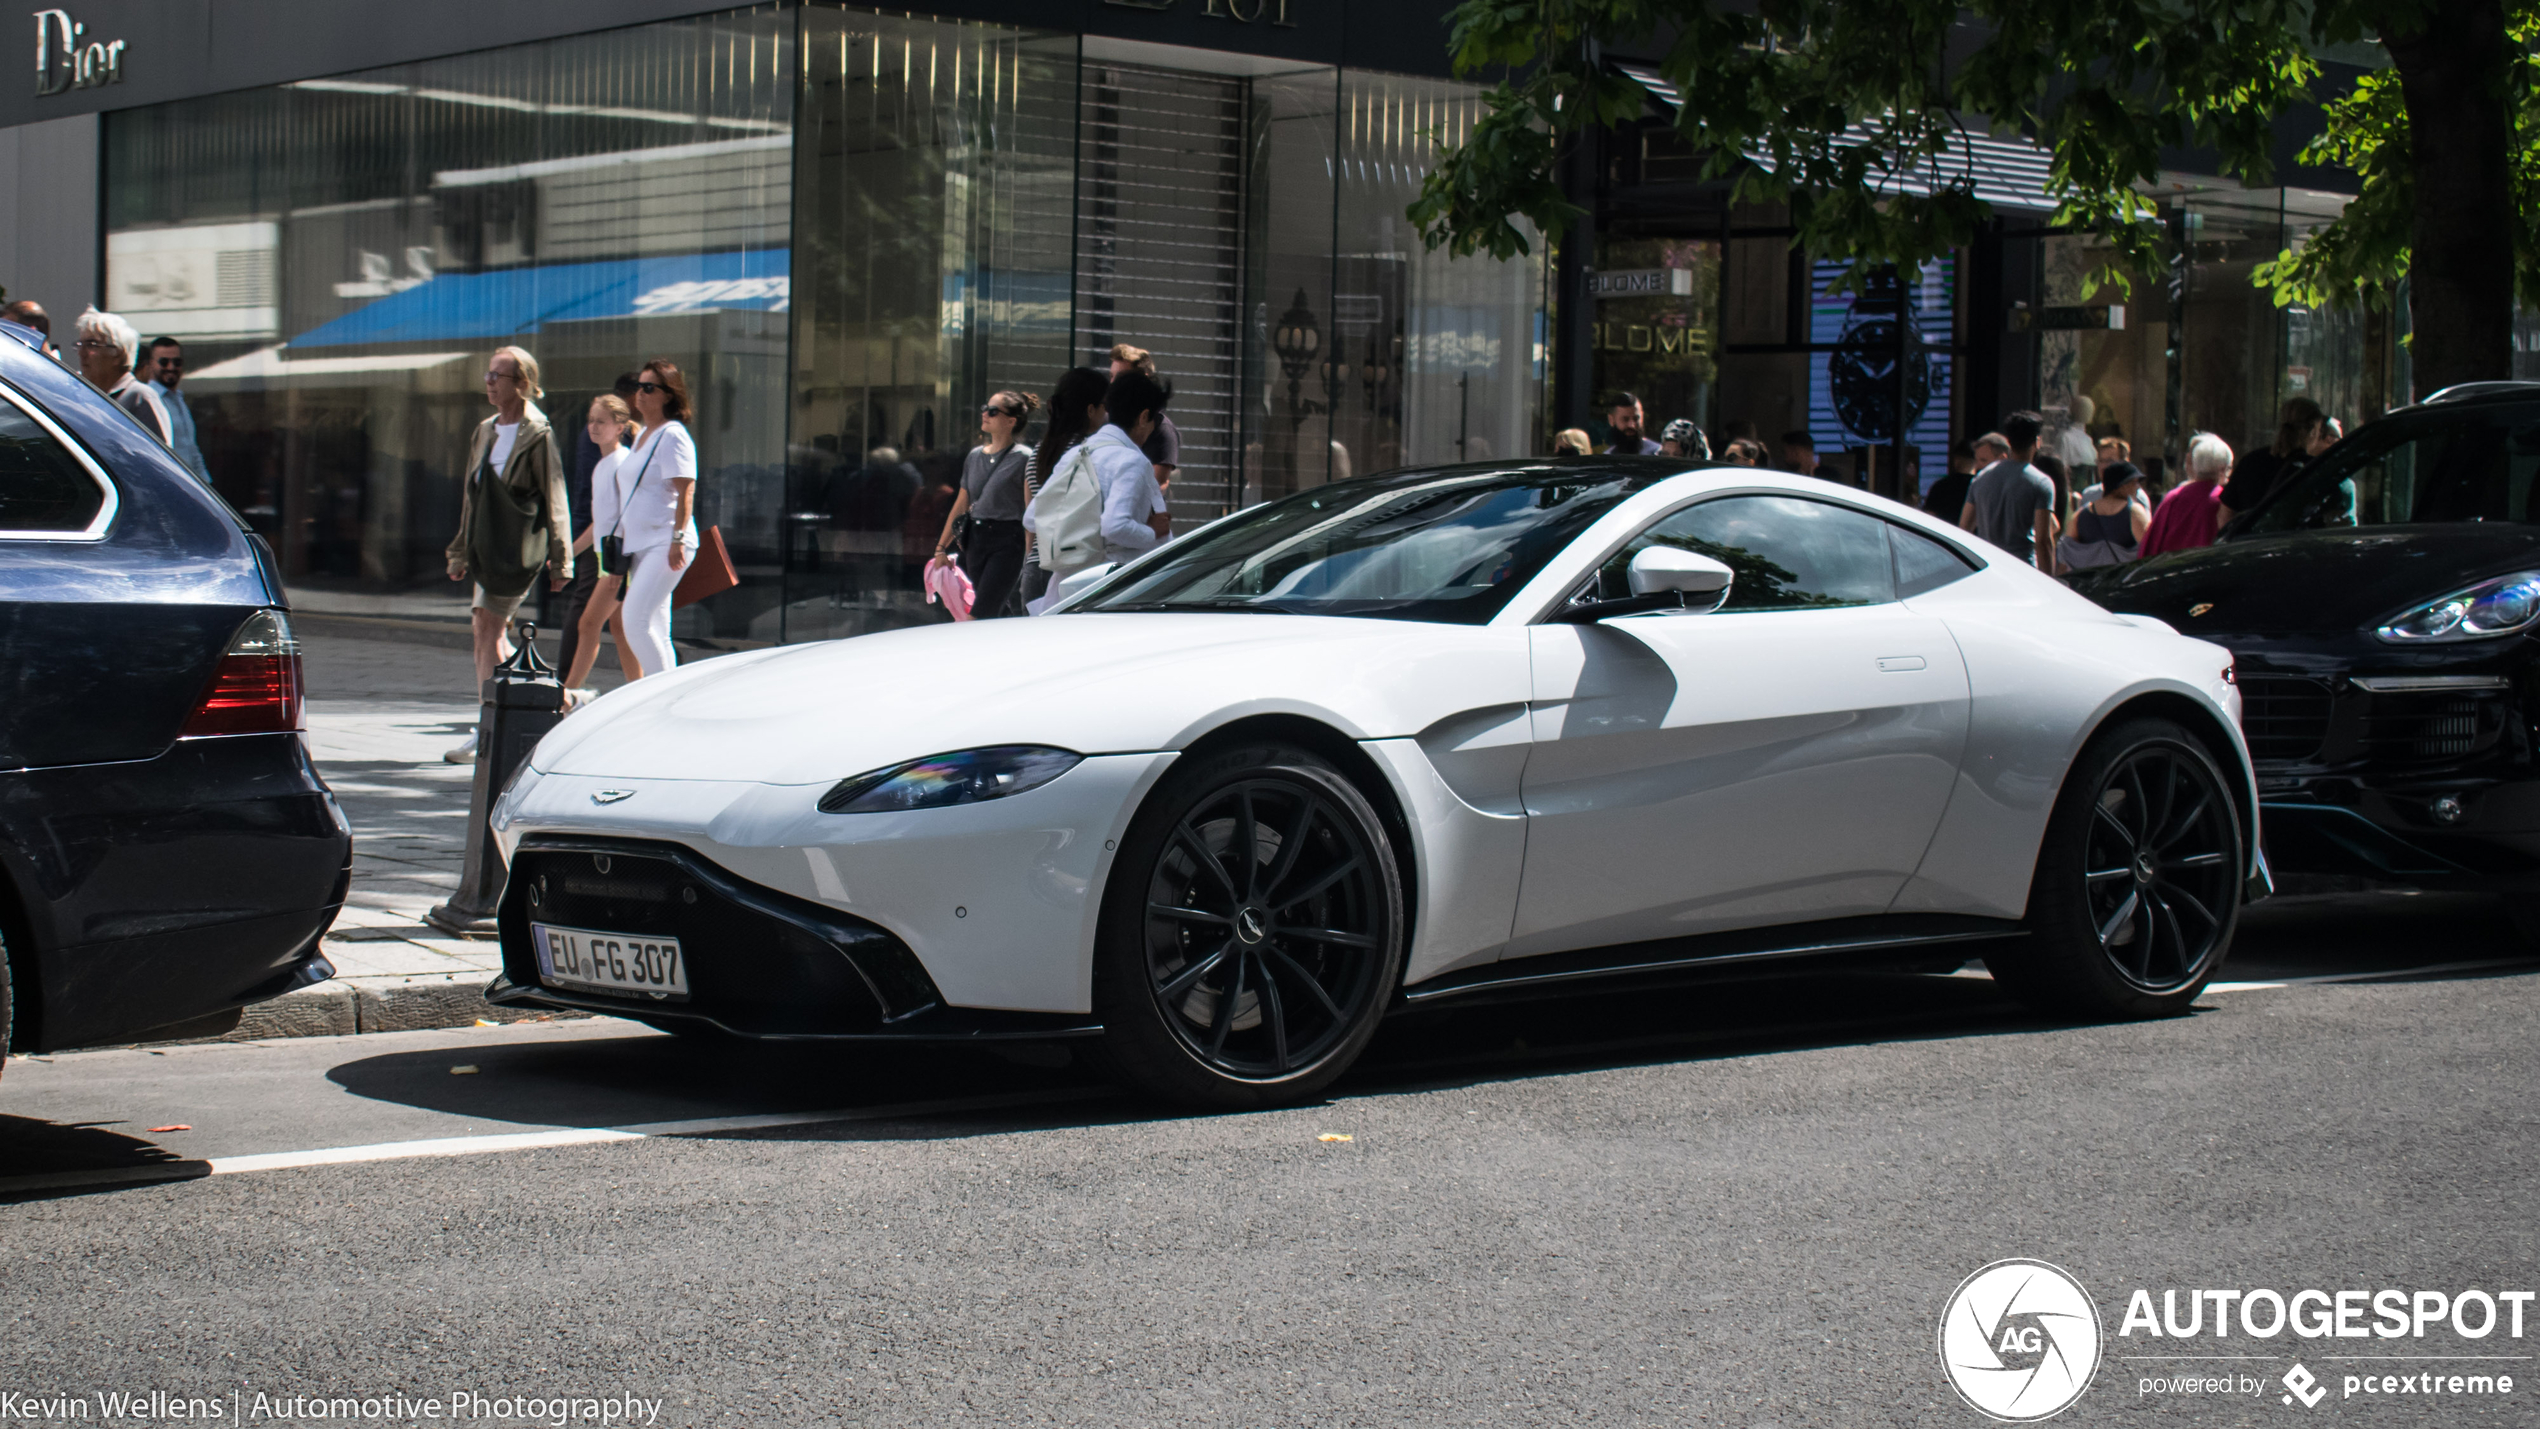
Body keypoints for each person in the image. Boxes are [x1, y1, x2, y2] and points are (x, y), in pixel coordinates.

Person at [443, 346, 571, 761]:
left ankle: (494, 724)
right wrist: (459, 552)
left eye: (498, 375)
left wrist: (561, 557)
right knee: (485, 629)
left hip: (517, 545)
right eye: (488, 374)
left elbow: (555, 497)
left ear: (521, 384)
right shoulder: (485, 430)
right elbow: (471, 495)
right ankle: (552, 704)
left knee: (488, 628)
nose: (489, 382)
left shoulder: (539, 432)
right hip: (486, 542)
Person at [607, 359, 702, 682]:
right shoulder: (645, 434)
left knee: (633, 619)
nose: (640, 394)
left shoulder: (673, 435)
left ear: (668, 395)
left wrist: (677, 539)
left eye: (649, 388)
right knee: (657, 627)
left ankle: (657, 694)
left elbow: (686, 490)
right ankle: (667, 694)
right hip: (642, 544)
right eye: (639, 387)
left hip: (666, 542)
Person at [556, 373, 639, 694]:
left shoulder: (623, 463)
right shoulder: (602, 466)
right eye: (591, 421)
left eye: (601, 422)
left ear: (620, 427)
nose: (593, 427)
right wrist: (568, 555)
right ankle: (639, 690)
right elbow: (599, 523)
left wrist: (620, 568)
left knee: (589, 624)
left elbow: (628, 518)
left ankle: (567, 696)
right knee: (619, 627)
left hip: (621, 560)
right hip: (610, 558)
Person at [928, 390, 1040, 620]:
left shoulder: (1024, 458)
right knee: (996, 611)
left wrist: (1031, 557)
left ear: (1011, 421)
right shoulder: (974, 456)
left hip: (1008, 541)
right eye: (985, 409)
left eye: (993, 411)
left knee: (980, 613)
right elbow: (961, 503)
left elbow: (1030, 512)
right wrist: (941, 547)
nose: (985, 415)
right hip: (975, 540)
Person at [1024, 367, 1111, 606]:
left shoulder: (1039, 450)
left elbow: (1031, 514)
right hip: (1071, 570)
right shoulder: (1086, 453)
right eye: (1105, 405)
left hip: (1036, 565)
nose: (1108, 414)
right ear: (1091, 410)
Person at [1961, 411, 2056, 573]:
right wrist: (2051, 582)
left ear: (2009, 441)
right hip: (2023, 569)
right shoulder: (2041, 482)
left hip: (1988, 568)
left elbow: (1964, 529)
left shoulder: (1981, 478)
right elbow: (2042, 540)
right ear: (2037, 442)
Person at [2217, 396, 2326, 530]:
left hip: (2252, 546)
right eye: (2320, 430)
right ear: (2313, 431)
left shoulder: (2250, 461)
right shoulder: (2314, 469)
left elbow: (2224, 517)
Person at [74, 308, 171, 445]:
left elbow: (160, 460)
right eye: (80, 345)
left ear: (118, 354)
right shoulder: (85, 396)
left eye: (91, 345)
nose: (81, 353)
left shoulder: (140, 397)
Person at [2140, 432, 2234, 560]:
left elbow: (2150, 546)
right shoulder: (2224, 501)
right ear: (2222, 469)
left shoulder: (2174, 497)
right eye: (2229, 468)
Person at [1108, 344, 1180, 496]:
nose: (1113, 383)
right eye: (1111, 376)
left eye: (1121, 377)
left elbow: (1151, 489)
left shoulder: (1161, 430)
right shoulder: (1105, 420)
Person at [2057, 460, 2150, 570]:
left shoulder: (2080, 515)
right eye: (2134, 482)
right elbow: (2151, 550)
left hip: (2091, 584)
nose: (2138, 487)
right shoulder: (2134, 512)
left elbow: (2065, 558)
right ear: (2122, 485)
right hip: (2123, 583)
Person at [143, 336, 210, 484]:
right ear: (151, 364)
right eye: (164, 362)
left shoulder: (178, 399)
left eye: (177, 362)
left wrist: (207, 487)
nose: (171, 367)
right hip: (167, 484)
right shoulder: (147, 400)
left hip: (189, 487)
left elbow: (191, 449)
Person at [1922, 437, 1984, 521]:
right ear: (1976, 461)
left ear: (1956, 459)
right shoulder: (1981, 487)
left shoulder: (1940, 486)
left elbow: (1929, 517)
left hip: (1941, 532)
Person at [2055, 395, 2099, 471]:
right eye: (2084, 408)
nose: (2089, 412)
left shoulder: (2088, 440)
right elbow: (2060, 467)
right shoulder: (2065, 438)